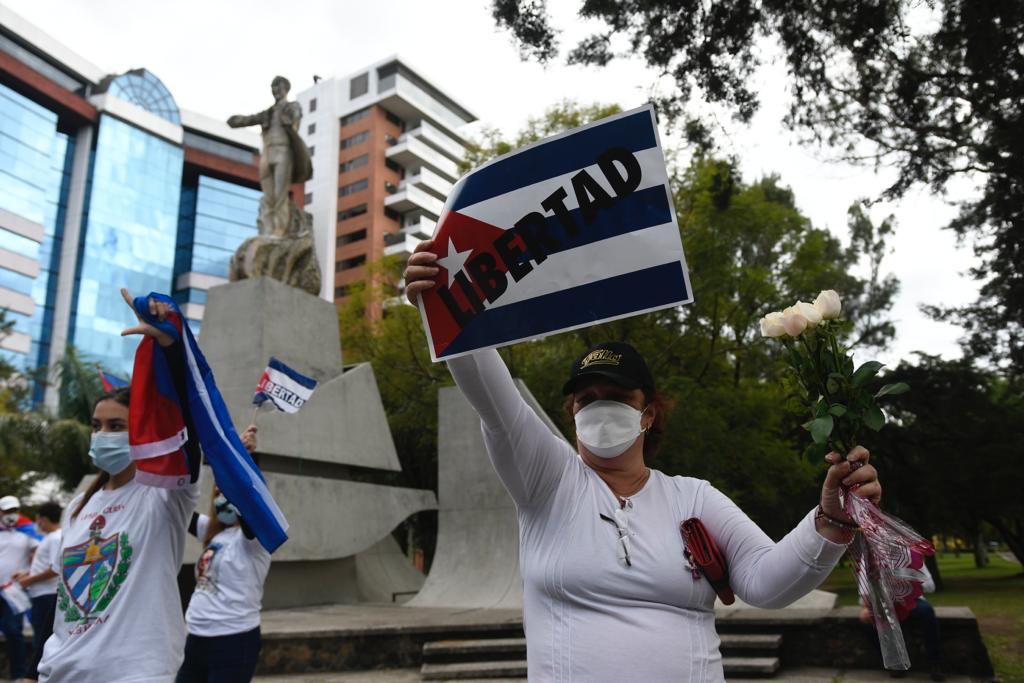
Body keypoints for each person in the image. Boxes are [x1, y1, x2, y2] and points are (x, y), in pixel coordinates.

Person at [404, 240, 883, 681]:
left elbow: (766, 582)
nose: (598, 406)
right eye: (586, 398)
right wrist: (447, 307)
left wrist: (832, 519)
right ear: (571, 413)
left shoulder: (693, 496)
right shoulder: (548, 482)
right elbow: (495, 400)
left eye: (616, 396)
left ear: (647, 414)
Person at [36, 290, 201, 682]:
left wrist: (169, 345)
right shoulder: (78, 505)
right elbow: (65, 601)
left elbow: (189, 425)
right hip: (62, 671)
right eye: (96, 426)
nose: (102, 435)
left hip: (135, 673)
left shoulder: (165, 494)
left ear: (142, 432)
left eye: (115, 427)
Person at [176, 426, 272, 683]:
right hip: (196, 636)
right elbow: (179, 509)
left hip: (233, 639)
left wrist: (241, 458)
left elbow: (252, 505)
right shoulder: (213, 532)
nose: (222, 499)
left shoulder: (254, 539)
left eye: (227, 493)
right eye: (218, 493)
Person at [859, 564, 945, 681]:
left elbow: (930, 586)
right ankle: (895, 663)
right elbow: (864, 589)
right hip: (884, 601)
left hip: (911, 599)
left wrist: (906, 579)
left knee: (926, 611)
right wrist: (865, 607)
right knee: (869, 622)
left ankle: (935, 663)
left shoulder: (910, 554)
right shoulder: (868, 557)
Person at [11, 501, 63, 683]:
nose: (37, 524)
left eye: (38, 519)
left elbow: (55, 569)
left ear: (42, 519)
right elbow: (44, 565)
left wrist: (29, 580)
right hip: (40, 594)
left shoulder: (56, 538)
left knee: (42, 639)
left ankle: (37, 677)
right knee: (39, 637)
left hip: (47, 595)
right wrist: (26, 573)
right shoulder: (50, 537)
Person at [1, 494, 39, 682]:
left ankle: (18, 674)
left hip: (13, 591)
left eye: (14, 511)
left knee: (13, 630)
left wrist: (28, 572)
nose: (11, 515)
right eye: (7, 511)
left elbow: (41, 553)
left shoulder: (27, 534)